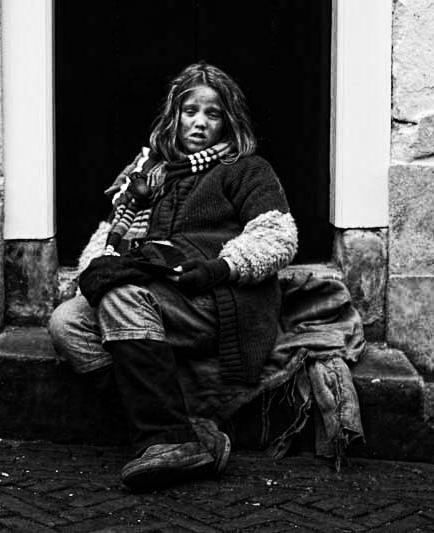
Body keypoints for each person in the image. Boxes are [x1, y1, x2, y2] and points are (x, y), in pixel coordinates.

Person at [48, 62, 298, 491]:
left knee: (123, 297)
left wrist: (219, 268)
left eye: (213, 113)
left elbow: (277, 236)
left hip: (218, 298)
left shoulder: (247, 170)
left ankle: (166, 439)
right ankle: (189, 430)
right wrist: (94, 272)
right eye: (190, 111)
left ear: (228, 120)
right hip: (160, 292)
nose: (199, 123)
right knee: (67, 323)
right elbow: (108, 238)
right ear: (175, 116)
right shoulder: (150, 175)